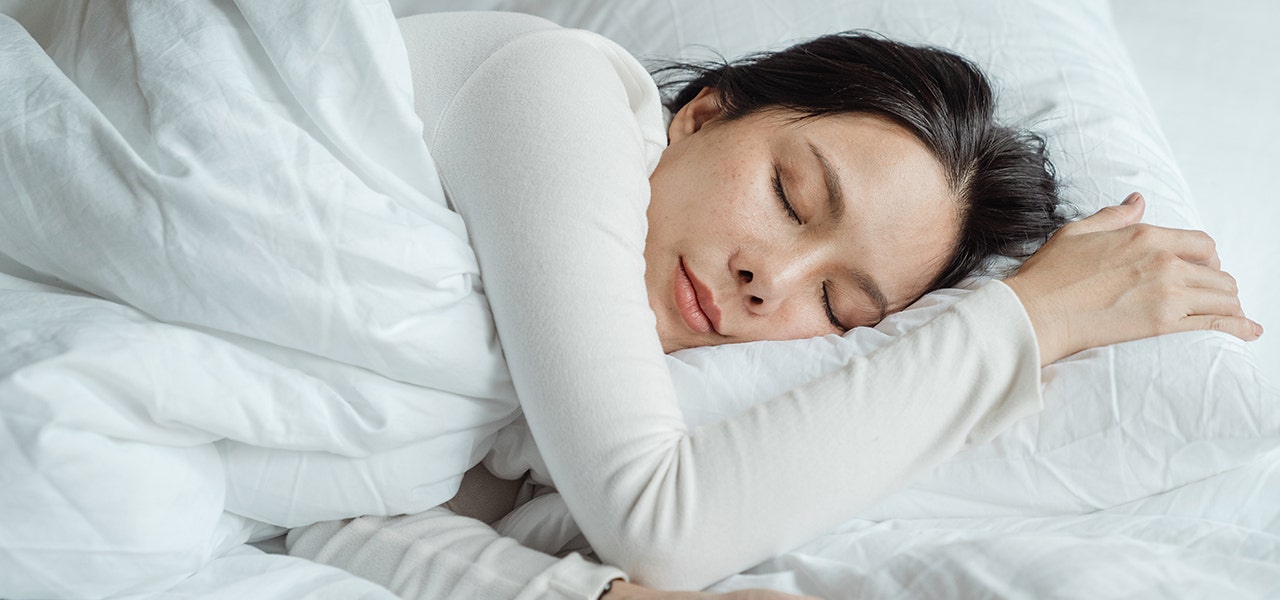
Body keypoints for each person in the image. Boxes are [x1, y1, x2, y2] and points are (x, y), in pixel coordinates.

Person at [286, 10, 1261, 600]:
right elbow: (659, 519)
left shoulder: (511, 412)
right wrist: (1025, 323)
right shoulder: (552, 87)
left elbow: (313, 517)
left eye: (837, 305)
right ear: (703, 113)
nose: (772, 283)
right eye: (793, 197)